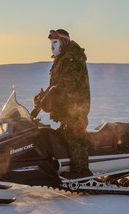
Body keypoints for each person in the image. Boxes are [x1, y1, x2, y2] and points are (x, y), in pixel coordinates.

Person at [34, 29, 92, 179]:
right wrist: (42, 98)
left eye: (55, 42)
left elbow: (68, 84)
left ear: (64, 41)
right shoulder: (61, 59)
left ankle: (82, 171)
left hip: (76, 107)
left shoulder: (73, 58)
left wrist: (51, 94)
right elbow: (55, 85)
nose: (52, 46)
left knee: (75, 135)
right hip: (66, 109)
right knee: (61, 137)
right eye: (51, 43)